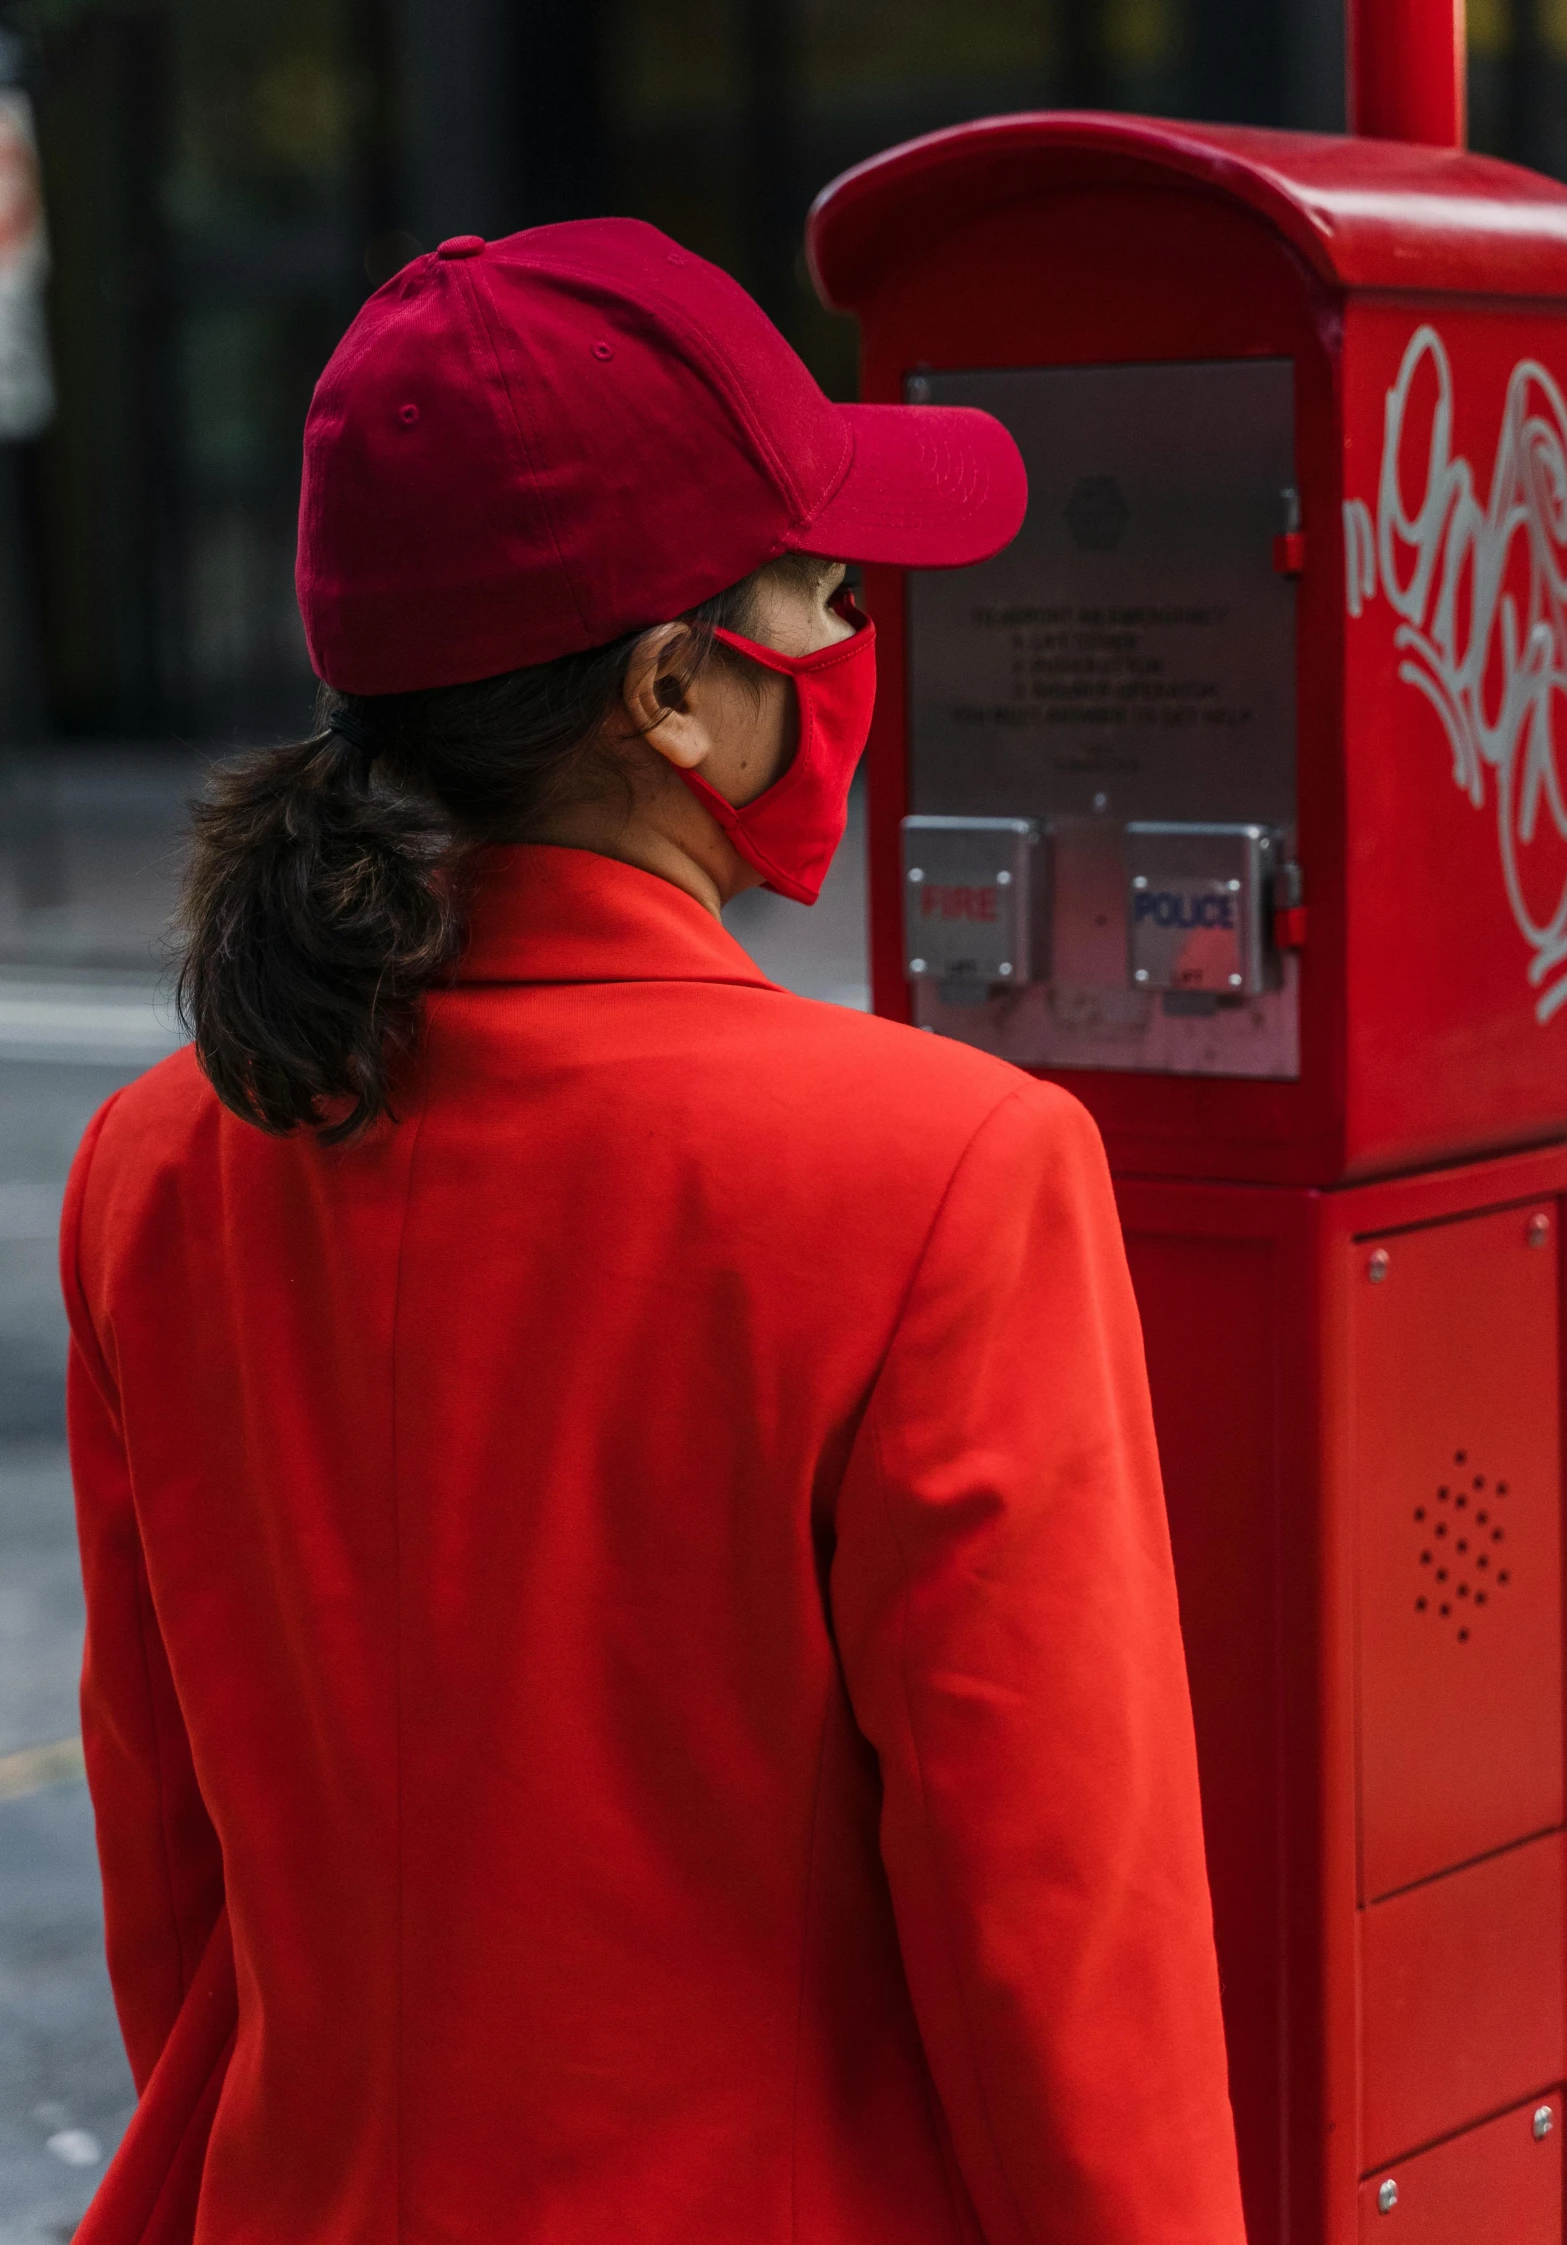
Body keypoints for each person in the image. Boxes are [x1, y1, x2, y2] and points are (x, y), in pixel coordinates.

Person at [62, 219, 1246, 2245]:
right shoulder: (946, 1168)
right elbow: (1062, 1939)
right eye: (825, 586)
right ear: (676, 687)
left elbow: (175, 1886)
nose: (861, 625)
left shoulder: (168, 1153)